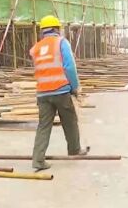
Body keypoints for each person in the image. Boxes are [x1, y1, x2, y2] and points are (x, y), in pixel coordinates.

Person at [30, 15, 87, 171]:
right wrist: (75, 87)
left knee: (43, 126)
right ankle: (74, 150)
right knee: (70, 121)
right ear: (56, 29)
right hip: (60, 91)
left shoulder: (36, 48)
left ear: (42, 31)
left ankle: (38, 160)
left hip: (42, 93)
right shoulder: (61, 43)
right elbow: (69, 67)